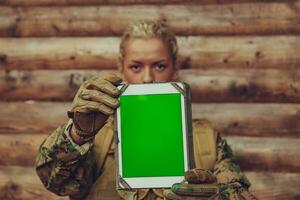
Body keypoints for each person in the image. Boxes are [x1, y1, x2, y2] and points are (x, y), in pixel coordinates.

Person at [36, 20, 256, 200]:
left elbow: (241, 194)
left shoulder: (204, 138)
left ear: (174, 70)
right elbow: (56, 183)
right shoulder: (94, 134)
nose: (148, 78)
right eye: (136, 66)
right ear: (121, 69)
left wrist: (216, 196)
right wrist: (77, 134)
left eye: (159, 66)